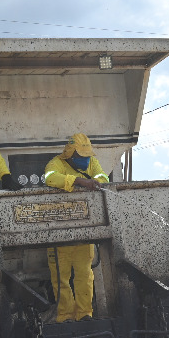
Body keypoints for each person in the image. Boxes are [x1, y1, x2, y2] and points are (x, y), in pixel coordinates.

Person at [42, 133, 109, 321]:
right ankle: (64, 316)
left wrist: (99, 182)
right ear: (70, 154)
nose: (85, 160)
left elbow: (102, 176)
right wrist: (79, 181)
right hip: (58, 232)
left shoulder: (91, 163)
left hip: (83, 230)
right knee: (60, 278)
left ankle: (84, 315)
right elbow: (50, 178)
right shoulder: (55, 163)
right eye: (81, 156)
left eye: (87, 155)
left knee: (84, 276)